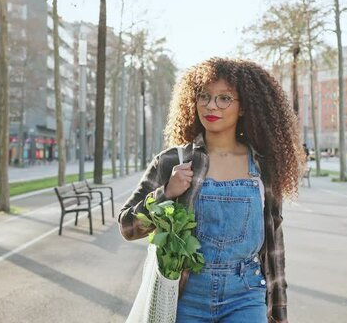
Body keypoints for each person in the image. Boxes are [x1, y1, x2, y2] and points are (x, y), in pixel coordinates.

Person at [118, 58, 302, 323]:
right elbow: (127, 227)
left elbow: (274, 244)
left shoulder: (264, 167)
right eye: (204, 96)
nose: (211, 105)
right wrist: (165, 194)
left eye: (225, 98)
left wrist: (279, 313)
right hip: (186, 295)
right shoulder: (172, 161)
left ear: (243, 108)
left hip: (246, 295)